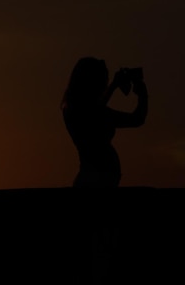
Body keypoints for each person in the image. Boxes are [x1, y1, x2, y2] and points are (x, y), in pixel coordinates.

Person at [62, 57, 148, 188]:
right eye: (103, 80)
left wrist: (113, 86)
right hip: (98, 181)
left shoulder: (73, 109)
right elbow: (137, 119)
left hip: (91, 178)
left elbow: (94, 110)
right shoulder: (92, 112)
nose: (104, 84)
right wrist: (143, 95)